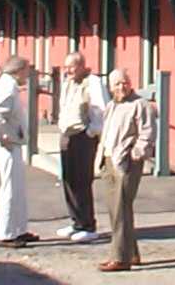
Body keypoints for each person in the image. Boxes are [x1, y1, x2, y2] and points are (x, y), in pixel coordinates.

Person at [95, 68, 156, 273]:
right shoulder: (112, 106)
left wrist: (138, 151)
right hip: (109, 159)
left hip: (126, 162)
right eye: (117, 84)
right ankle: (131, 253)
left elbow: (147, 132)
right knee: (117, 209)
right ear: (110, 88)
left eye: (125, 83)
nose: (121, 87)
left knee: (121, 208)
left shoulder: (140, 104)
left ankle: (120, 257)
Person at [0, 55, 39, 248]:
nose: (27, 75)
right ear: (18, 71)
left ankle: (18, 229)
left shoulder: (5, 85)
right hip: (7, 145)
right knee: (10, 188)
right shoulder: (7, 87)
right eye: (26, 70)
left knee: (17, 188)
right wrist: (3, 134)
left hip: (12, 143)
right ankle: (6, 233)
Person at [55, 52, 108, 243]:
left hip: (82, 136)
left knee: (82, 180)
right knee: (68, 179)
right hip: (67, 134)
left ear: (82, 65)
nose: (68, 70)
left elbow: (100, 110)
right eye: (66, 66)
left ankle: (88, 224)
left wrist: (91, 132)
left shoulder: (92, 82)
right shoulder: (67, 83)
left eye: (72, 66)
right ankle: (75, 220)